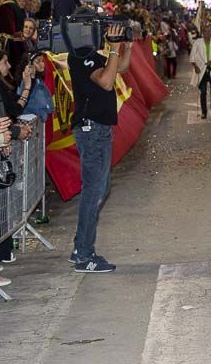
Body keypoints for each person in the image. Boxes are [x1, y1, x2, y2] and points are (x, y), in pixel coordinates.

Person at [67, 20, 132, 273]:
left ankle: (79, 248)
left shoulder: (93, 54)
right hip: (91, 130)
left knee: (101, 189)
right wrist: (114, 48)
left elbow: (120, 68)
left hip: (99, 129)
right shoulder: (81, 55)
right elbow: (106, 81)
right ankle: (84, 255)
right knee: (93, 192)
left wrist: (127, 45)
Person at [190, 25, 211, 119]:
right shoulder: (197, 43)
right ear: (202, 32)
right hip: (202, 70)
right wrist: (195, 66)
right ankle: (204, 112)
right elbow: (192, 56)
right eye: (205, 31)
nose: (207, 33)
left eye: (209, 31)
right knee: (203, 92)